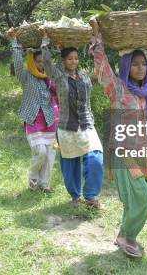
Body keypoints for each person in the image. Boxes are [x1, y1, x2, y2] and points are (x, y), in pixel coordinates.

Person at [89, 17, 147, 258]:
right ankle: (128, 237)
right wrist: (97, 36)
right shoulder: (116, 88)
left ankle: (124, 235)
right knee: (143, 197)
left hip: (145, 151)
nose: (140, 68)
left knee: (136, 200)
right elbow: (101, 66)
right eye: (135, 64)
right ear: (126, 65)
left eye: (144, 64)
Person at [39, 28, 104, 209]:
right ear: (63, 60)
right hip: (67, 127)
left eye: (76, 58)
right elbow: (46, 62)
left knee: (96, 158)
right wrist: (45, 41)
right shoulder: (59, 77)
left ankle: (90, 196)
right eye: (69, 58)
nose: (73, 61)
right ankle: (75, 196)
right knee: (70, 164)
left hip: (86, 124)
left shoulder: (84, 76)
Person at [8, 28, 59, 193]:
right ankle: (33, 176)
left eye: (42, 62)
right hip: (33, 119)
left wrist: (45, 43)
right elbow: (17, 62)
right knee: (40, 151)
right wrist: (14, 42)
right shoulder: (25, 76)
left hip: (50, 119)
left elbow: (50, 64)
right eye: (37, 61)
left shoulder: (49, 78)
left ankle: (44, 184)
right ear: (31, 61)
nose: (41, 65)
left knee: (50, 154)